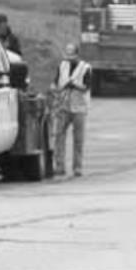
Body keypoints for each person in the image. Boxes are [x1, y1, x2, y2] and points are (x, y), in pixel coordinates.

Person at [51, 43, 91, 178]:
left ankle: (77, 167)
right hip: (63, 106)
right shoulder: (62, 66)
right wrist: (54, 89)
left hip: (79, 107)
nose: (69, 58)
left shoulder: (85, 68)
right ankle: (59, 166)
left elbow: (86, 87)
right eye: (67, 55)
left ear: (77, 54)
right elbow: (56, 82)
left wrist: (74, 85)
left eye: (71, 55)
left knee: (78, 139)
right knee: (59, 136)